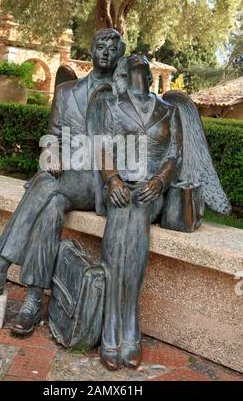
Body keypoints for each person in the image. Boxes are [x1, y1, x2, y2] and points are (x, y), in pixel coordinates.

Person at [0, 28, 126, 336]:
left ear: (119, 56)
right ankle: (32, 300)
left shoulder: (123, 98)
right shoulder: (67, 92)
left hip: (96, 180)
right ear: (92, 49)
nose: (106, 53)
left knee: (45, 185)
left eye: (113, 49)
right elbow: (52, 134)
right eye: (101, 45)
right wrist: (52, 152)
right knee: (51, 206)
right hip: (61, 176)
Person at [98, 55, 183, 370]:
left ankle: (124, 320)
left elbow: (175, 154)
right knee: (127, 210)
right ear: (125, 73)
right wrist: (113, 179)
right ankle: (117, 323)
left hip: (151, 192)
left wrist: (160, 181)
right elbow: (103, 150)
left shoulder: (169, 110)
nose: (138, 72)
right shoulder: (113, 106)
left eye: (142, 68)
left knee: (136, 208)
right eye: (133, 68)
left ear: (149, 74)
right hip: (121, 188)